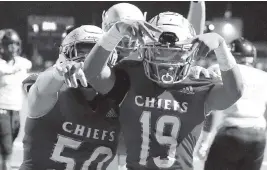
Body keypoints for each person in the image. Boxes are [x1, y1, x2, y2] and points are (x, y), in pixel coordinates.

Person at [83, 3, 244, 168]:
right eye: (160, 51)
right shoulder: (130, 75)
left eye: (175, 53)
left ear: (190, 53)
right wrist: (115, 32)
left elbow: (235, 92)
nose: (167, 61)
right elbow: (92, 73)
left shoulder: (199, 82)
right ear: (145, 49)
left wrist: (221, 47)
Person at [19, 25, 125, 170]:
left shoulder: (117, 102)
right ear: (65, 56)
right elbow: (42, 86)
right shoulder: (52, 90)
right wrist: (59, 73)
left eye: (95, 56)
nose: (87, 63)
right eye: (82, 52)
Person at [195, 37, 266, 170]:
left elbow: (210, 108)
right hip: (258, 134)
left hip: (231, 132)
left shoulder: (218, 69)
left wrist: (205, 141)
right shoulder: (263, 76)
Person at [0, 29, 32, 170]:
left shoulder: (21, 63)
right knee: (7, 149)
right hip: (2, 109)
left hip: (16, 110)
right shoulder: (2, 64)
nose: (13, 48)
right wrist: (14, 69)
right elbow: (4, 70)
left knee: (9, 144)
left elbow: (28, 64)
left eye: (15, 44)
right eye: (9, 44)